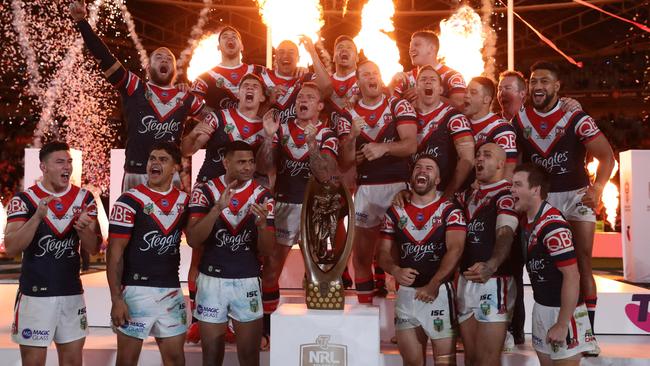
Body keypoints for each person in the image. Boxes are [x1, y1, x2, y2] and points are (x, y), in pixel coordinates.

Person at [512, 61, 615, 340]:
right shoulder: (520, 120)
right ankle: (524, 327)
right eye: (533, 81)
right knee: (536, 262)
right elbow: (514, 162)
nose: (538, 87)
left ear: (557, 86)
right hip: (540, 200)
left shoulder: (576, 117)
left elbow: (607, 157)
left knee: (582, 261)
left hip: (575, 195)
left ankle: (588, 333)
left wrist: (598, 188)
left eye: (545, 81)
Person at [69, 1, 208, 192]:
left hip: (170, 176)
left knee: (171, 223)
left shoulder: (185, 97)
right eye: (159, 57)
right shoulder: (135, 86)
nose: (165, 60)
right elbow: (105, 57)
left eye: (169, 59)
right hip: (136, 173)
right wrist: (82, 22)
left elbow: (214, 119)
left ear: (175, 70)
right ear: (148, 68)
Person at [255, 82, 340, 339]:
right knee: (270, 269)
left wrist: (312, 143)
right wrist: (268, 137)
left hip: (314, 207)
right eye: (300, 96)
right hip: (283, 204)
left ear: (320, 106)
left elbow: (325, 174)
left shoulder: (327, 135)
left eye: (310, 97)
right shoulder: (281, 129)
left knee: (317, 271)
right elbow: (262, 166)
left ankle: (318, 329)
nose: (303, 100)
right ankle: (267, 329)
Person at [5, 141, 102, 366]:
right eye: (60, 162)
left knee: (72, 363)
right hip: (35, 296)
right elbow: (11, 247)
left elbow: (93, 248)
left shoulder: (84, 198)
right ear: (43, 167)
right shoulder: (24, 200)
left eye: (69, 162)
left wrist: (85, 230)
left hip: (71, 293)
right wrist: (37, 217)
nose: (67, 167)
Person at [186, 141, 275, 366]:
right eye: (241, 162)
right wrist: (217, 209)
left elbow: (268, 250)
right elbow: (193, 239)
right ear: (226, 162)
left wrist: (263, 225)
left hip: (247, 281)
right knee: (212, 358)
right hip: (211, 281)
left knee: (249, 357)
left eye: (251, 162)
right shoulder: (205, 191)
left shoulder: (263, 196)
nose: (248, 167)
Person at [339, 60, 417, 304]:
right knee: (361, 256)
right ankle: (365, 314)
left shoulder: (398, 104)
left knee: (403, 255)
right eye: (365, 75)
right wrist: (352, 138)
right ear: (358, 81)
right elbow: (344, 160)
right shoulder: (347, 113)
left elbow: (411, 144)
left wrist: (383, 148)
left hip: (398, 187)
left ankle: (405, 319)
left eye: (375, 73)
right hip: (366, 189)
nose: (372, 78)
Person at [377, 155, 466, 366]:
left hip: (439, 294)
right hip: (406, 297)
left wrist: (433, 284)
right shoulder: (395, 211)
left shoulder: (450, 211)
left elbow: (456, 249)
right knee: (411, 363)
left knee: (445, 362)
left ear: (437, 180)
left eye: (429, 168)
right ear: (411, 176)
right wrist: (394, 270)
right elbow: (382, 253)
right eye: (418, 167)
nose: (422, 171)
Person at [107, 142, 189, 365]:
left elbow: (197, 239)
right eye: (152, 158)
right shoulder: (128, 201)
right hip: (135, 291)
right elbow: (114, 254)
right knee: (127, 361)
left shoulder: (185, 201)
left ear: (175, 168)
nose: (155, 162)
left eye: (163, 160)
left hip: (171, 290)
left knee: (175, 359)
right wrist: (116, 299)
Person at [511, 164, 597, 365]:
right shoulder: (526, 220)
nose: (512, 190)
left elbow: (572, 276)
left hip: (564, 312)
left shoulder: (553, 227)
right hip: (542, 307)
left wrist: (562, 323)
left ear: (535, 189)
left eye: (517, 185)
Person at [457, 143, 519, 366]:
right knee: (471, 359)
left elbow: (506, 233)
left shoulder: (506, 194)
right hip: (466, 280)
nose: (479, 159)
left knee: (487, 360)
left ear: (501, 163)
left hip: (494, 281)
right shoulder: (467, 195)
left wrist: (491, 265)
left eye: (487, 155)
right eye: (478, 155)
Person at [181, 73, 268, 184]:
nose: (250, 87)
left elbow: (265, 170)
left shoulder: (266, 128)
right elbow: (186, 151)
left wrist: (269, 137)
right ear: (238, 95)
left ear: (262, 97)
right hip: (209, 187)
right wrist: (192, 135)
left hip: (242, 194)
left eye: (255, 86)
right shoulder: (218, 117)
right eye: (245, 85)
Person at [412, 65, 474, 197]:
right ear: (416, 88)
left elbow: (467, 159)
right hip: (411, 193)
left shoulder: (455, 117)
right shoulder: (406, 115)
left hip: (441, 192)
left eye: (433, 79)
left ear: (440, 89)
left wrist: (449, 194)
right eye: (423, 79)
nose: (428, 81)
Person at [260, 37, 332, 125]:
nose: (286, 56)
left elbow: (326, 86)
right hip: (268, 136)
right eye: (281, 52)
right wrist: (269, 102)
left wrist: (312, 52)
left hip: (298, 136)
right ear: (275, 57)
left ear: (298, 58)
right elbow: (252, 115)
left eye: (291, 52)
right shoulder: (262, 75)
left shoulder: (305, 78)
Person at [191, 26, 264, 111]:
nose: (230, 39)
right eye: (225, 37)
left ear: (242, 46)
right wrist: (216, 119)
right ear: (218, 47)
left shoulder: (259, 71)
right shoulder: (204, 78)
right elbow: (191, 106)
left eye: (234, 36)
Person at [392, 30, 467, 109]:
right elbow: (389, 107)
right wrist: (391, 85)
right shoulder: (405, 77)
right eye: (410, 47)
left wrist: (426, 93)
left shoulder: (452, 76)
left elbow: (461, 107)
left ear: (431, 48)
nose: (411, 50)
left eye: (417, 45)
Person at [463, 77, 517, 179]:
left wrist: (499, 193)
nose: (466, 96)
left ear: (486, 99)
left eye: (473, 92)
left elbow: (509, 167)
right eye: (466, 91)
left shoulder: (502, 129)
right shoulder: (459, 122)